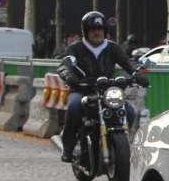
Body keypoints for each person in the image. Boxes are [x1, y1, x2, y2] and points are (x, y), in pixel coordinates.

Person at [56, 11, 148, 163]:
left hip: (107, 91)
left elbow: (127, 62)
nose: (97, 32)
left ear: (105, 31)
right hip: (82, 89)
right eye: (93, 29)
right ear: (86, 31)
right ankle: (68, 147)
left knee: (129, 112)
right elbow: (64, 65)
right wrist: (69, 76)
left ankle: (120, 145)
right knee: (73, 107)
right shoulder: (75, 48)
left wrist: (137, 74)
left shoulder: (113, 48)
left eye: (100, 29)